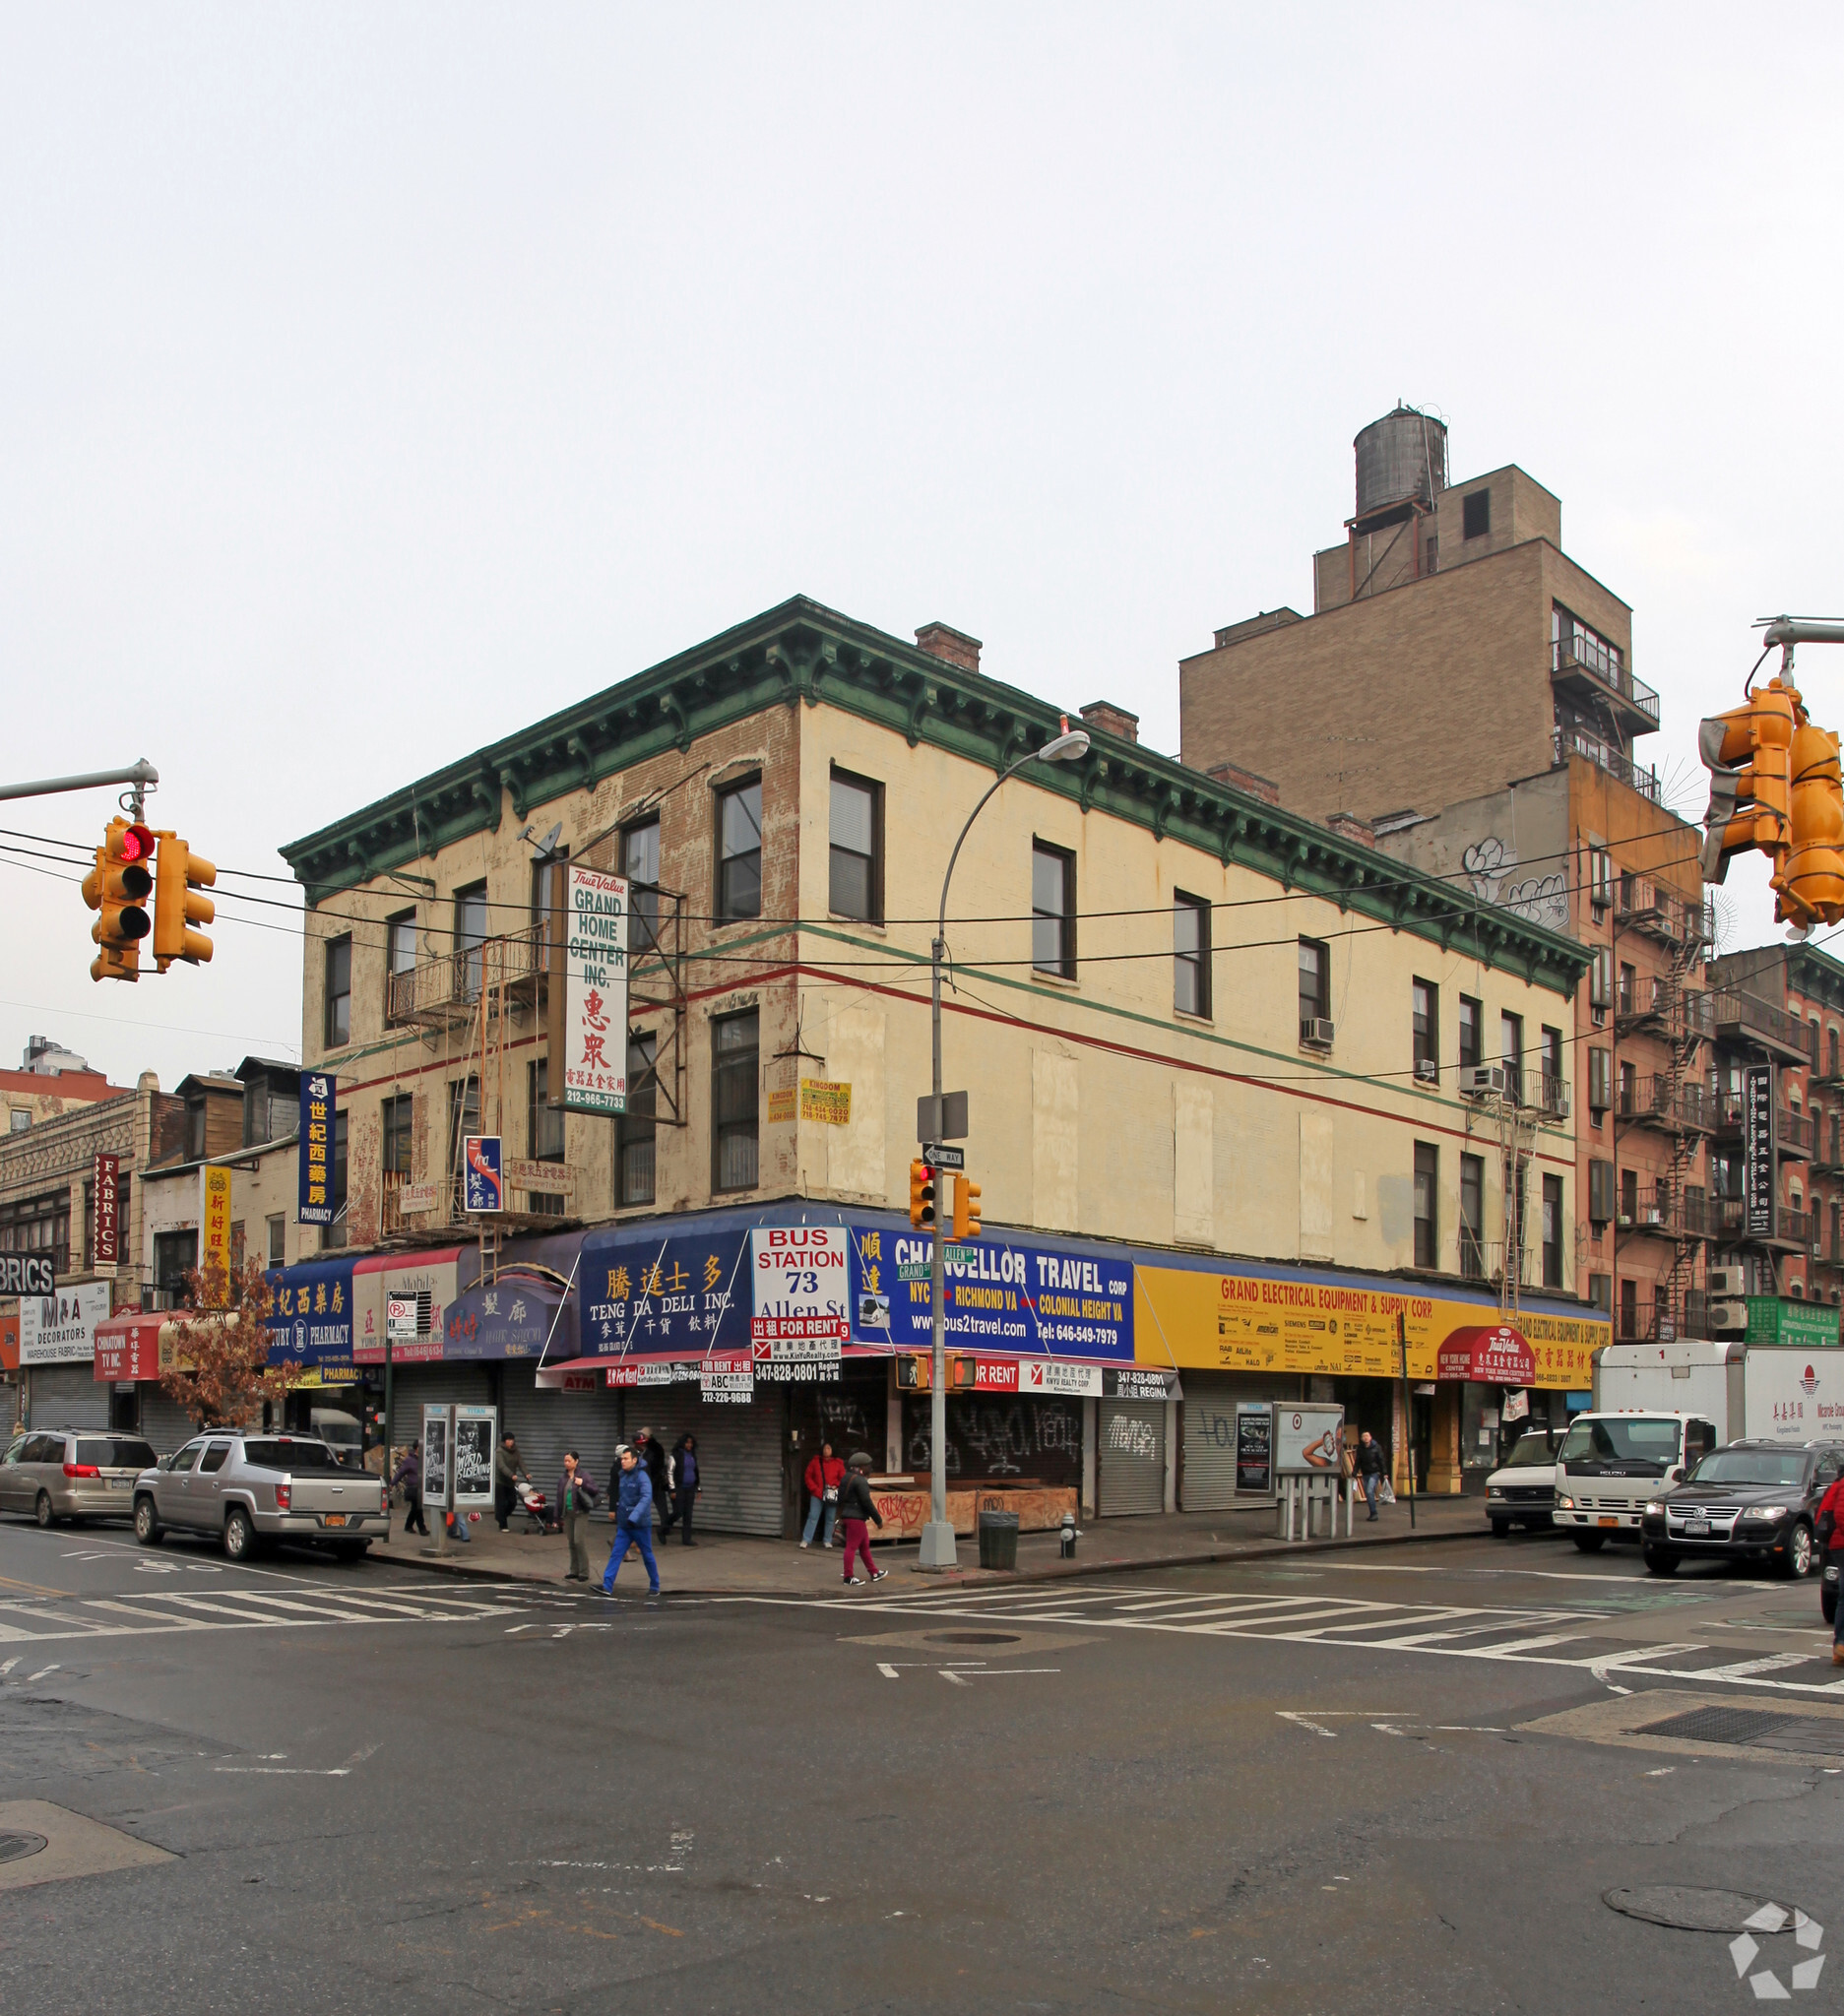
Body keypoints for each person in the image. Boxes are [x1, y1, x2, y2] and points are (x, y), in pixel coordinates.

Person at [603, 1443, 660, 1597]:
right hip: (624, 1524)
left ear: (635, 1460)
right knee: (616, 1554)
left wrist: (634, 1517)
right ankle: (607, 1586)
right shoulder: (622, 1475)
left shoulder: (642, 1477)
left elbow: (646, 1498)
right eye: (622, 1459)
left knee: (647, 1555)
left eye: (626, 1459)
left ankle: (655, 1586)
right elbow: (622, 1497)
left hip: (640, 1524)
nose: (623, 1461)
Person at [836, 1451, 887, 1586]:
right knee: (851, 1547)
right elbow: (866, 1502)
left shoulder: (846, 1477)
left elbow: (840, 1498)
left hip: (848, 1516)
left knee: (864, 1546)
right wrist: (878, 1520)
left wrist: (840, 1515)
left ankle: (874, 1572)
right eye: (868, 1466)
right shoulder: (860, 1481)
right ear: (861, 1466)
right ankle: (848, 1576)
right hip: (856, 1518)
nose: (870, 1469)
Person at [558, 1450, 599, 1583]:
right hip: (568, 1514)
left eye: (569, 1461)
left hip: (580, 1513)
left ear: (576, 1461)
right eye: (565, 1461)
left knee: (578, 1541)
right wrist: (555, 1517)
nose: (567, 1463)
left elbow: (595, 1490)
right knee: (571, 1542)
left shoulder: (583, 1475)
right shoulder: (563, 1478)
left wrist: (583, 1484)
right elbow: (559, 1498)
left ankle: (584, 1572)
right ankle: (573, 1570)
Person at [801, 1441, 845, 1549]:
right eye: (825, 1448)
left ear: (833, 1450)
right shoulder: (815, 1462)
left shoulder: (838, 1463)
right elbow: (808, 1476)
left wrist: (836, 1486)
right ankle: (806, 1539)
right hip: (817, 1494)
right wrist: (814, 1488)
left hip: (831, 1494)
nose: (826, 1451)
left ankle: (827, 1540)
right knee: (813, 1516)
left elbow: (843, 1478)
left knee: (830, 1518)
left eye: (829, 1448)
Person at [660, 1432, 700, 1546]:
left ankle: (687, 1539)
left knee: (688, 1514)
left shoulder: (692, 1455)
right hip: (679, 1488)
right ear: (682, 1443)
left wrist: (698, 1487)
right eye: (687, 1442)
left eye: (691, 1443)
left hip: (690, 1488)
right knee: (678, 1512)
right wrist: (672, 1489)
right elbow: (670, 1472)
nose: (689, 1445)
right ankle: (662, 1529)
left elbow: (695, 1472)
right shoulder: (675, 1455)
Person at [391, 1441, 428, 1539]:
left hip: (421, 1488)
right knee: (418, 1508)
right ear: (417, 1448)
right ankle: (422, 1528)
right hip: (413, 1488)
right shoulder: (409, 1460)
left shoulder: (424, 1459)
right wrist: (392, 1483)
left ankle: (408, 1526)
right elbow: (401, 1472)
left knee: (415, 1508)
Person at [493, 1430, 526, 1533]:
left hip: (510, 1482)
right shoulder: (499, 1451)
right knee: (501, 1503)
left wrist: (526, 1473)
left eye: (512, 1440)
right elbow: (501, 1466)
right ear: (504, 1441)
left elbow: (520, 1463)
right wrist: (511, 1475)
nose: (511, 1442)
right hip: (500, 1481)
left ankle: (500, 1516)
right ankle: (503, 1525)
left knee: (513, 1502)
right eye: (508, 1440)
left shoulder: (515, 1451)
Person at [1356, 1429, 1388, 1520]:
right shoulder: (1360, 1449)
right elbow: (1358, 1461)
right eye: (1363, 1436)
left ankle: (1374, 1513)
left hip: (1374, 1473)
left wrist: (1384, 1472)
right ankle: (1372, 1512)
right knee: (1368, 1494)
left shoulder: (1376, 1447)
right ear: (1361, 1439)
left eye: (1367, 1436)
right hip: (1365, 1473)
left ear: (1370, 1438)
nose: (1365, 1438)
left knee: (1370, 1491)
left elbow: (1381, 1460)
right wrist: (1354, 1472)